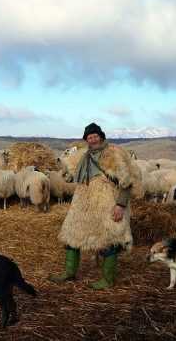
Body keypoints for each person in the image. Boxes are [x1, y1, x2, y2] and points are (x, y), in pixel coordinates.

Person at [49, 122, 141, 289]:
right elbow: (72, 177)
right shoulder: (84, 156)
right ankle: (69, 273)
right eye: (89, 137)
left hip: (106, 202)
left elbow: (126, 182)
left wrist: (120, 205)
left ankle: (107, 279)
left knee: (108, 239)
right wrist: (64, 168)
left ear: (101, 136)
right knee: (72, 235)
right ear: (86, 140)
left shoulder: (113, 154)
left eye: (95, 136)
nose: (92, 139)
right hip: (83, 204)